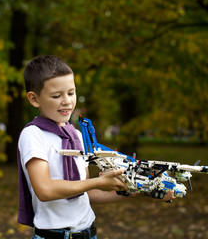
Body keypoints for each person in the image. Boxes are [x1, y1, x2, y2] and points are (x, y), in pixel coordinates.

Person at [17, 55, 174, 239]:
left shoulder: (76, 135)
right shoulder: (34, 134)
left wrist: (143, 192)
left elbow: (85, 192)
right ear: (34, 99)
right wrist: (99, 182)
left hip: (88, 233)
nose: (67, 101)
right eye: (56, 95)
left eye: (71, 92)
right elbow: (44, 190)